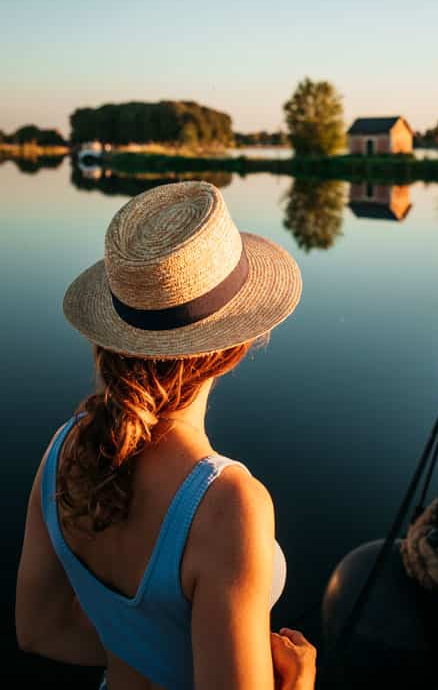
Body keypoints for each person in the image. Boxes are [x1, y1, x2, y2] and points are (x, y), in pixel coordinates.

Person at [15, 181, 317, 690]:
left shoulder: (62, 451)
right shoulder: (229, 505)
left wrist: (141, 650)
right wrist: (299, 681)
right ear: (235, 346)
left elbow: (39, 631)